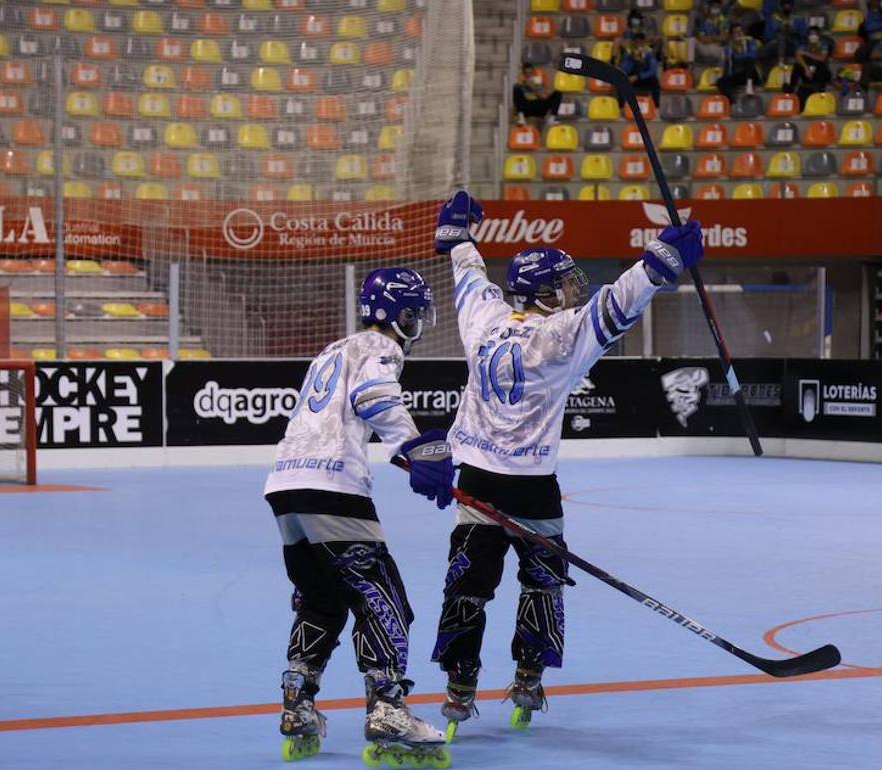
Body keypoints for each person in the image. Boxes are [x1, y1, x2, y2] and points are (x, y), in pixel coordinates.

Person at [429, 192, 704, 734]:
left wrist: (458, 238)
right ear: (545, 293)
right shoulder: (560, 335)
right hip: (533, 487)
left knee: (467, 585)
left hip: (477, 482)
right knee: (543, 583)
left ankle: (459, 684)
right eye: (565, 283)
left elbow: (468, 274)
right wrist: (658, 263)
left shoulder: (481, 320)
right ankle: (529, 677)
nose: (573, 289)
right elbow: (618, 303)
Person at [265, 268, 454, 760]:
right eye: (417, 315)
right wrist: (413, 448)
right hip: (333, 486)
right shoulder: (380, 348)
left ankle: (297, 704)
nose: (419, 327)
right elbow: (373, 398)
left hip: (286, 486)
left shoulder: (333, 349)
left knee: (321, 599)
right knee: (383, 598)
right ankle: (388, 707)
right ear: (402, 315)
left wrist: (406, 455)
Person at [787, 25, 834, 102]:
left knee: (821, 65)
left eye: (815, 34)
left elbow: (822, 58)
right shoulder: (805, 44)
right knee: (797, 65)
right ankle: (791, 88)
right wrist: (806, 69)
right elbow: (798, 55)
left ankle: (820, 88)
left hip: (820, 71)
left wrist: (806, 54)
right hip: (808, 70)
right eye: (811, 34)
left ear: (819, 35)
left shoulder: (823, 45)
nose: (813, 36)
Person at [717, 23, 763, 98]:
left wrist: (737, 56)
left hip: (752, 74)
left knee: (749, 60)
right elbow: (727, 63)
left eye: (741, 31)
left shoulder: (751, 42)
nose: (739, 34)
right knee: (721, 82)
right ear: (732, 35)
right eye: (736, 32)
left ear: (744, 32)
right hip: (738, 74)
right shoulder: (729, 47)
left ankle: (749, 86)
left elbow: (753, 55)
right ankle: (731, 101)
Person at [619, 31, 662, 107]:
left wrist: (638, 76)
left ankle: (656, 106)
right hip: (631, 79)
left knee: (655, 81)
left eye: (641, 43)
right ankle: (621, 106)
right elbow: (624, 69)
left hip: (644, 78)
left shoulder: (649, 53)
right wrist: (632, 60)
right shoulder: (629, 53)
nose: (639, 45)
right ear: (634, 43)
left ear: (644, 42)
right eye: (637, 42)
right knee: (620, 81)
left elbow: (652, 71)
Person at [689, 0, 730, 64]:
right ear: (710, 7)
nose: (715, 9)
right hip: (706, 47)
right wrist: (715, 38)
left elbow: (724, 37)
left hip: (717, 48)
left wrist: (710, 38)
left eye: (717, 7)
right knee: (692, 40)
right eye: (714, 7)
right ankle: (689, 64)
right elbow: (702, 38)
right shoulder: (704, 20)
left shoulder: (723, 20)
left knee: (724, 50)